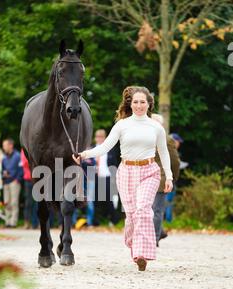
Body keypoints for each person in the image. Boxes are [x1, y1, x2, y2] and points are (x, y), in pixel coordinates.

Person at [73, 86, 173, 271]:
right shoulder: (122, 125)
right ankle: (132, 241)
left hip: (150, 171)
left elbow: (164, 152)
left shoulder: (156, 127)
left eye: (143, 102)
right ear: (130, 103)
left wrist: (169, 176)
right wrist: (84, 154)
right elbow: (104, 147)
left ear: (149, 104)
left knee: (144, 210)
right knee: (132, 217)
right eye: (135, 102)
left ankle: (141, 254)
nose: (139, 105)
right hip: (126, 172)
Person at [151, 114, 180, 246]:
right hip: (146, 178)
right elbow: (175, 162)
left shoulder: (167, 140)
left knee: (156, 210)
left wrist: (171, 178)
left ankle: (155, 238)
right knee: (153, 210)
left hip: (160, 180)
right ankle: (158, 233)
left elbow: (174, 161)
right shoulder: (146, 138)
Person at [93, 129, 119, 226]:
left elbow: (114, 164)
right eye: (97, 137)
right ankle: (96, 222)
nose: (99, 139)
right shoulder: (92, 149)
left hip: (107, 177)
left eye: (101, 137)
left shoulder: (109, 149)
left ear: (105, 138)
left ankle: (113, 220)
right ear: (95, 138)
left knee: (108, 199)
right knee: (95, 200)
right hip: (95, 178)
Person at [165, 133, 186, 223]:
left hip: (170, 180)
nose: (179, 144)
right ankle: (168, 220)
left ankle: (166, 220)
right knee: (168, 201)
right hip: (169, 180)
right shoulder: (170, 151)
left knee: (168, 201)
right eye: (178, 142)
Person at [2, 139, 23, 228]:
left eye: (5, 145)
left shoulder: (17, 156)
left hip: (14, 182)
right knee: (7, 202)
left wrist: (17, 179)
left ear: (11, 145)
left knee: (14, 203)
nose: (3, 147)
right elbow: (2, 169)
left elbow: (21, 169)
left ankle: (13, 222)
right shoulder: (4, 158)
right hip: (6, 182)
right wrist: (3, 174)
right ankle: (7, 221)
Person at [21, 149, 39, 229]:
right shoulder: (24, 148)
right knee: (28, 202)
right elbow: (25, 163)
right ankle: (27, 222)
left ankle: (38, 223)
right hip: (29, 179)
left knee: (38, 203)